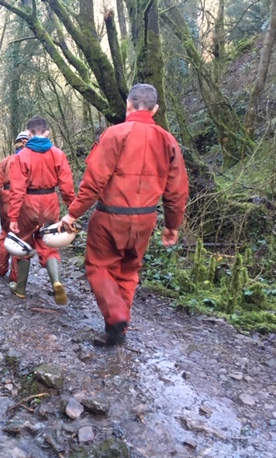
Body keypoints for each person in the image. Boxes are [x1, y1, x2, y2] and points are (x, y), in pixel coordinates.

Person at [60, 83, 189, 346]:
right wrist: (172, 226)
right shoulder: (168, 140)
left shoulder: (115, 134)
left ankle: (116, 317)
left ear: (128, 105)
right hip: (145, 220)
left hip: (110, 217)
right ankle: (117, 330)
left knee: (98, 266)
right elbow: (177, 190)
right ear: (155, 109)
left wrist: (72, 215)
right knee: (128, 272)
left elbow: (94, 181)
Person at [8, 116, 76, 305]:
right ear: (47, 132)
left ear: (28, 134)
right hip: (50, 203)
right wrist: (73, 211)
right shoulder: (58, 154)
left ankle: (20, 288)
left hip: (28, 203)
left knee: (22, 243)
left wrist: (13, 216)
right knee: (49, 244)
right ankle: (56, 281)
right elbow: (67, 187)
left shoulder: (21, 157)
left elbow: (17, 190)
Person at [0, 130, 30, 281]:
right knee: (21, 237)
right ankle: (16, 277)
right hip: (27, 199)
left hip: (7, 199)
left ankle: (2, 268)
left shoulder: (6, 161)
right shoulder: (34, 161)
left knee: (5, 232)